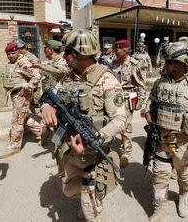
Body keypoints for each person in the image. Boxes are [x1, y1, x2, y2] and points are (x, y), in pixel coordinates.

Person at [41, 29, 126, 222]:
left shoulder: (107, 80)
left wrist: (95, 138)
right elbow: (49, 96)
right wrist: (46, 107)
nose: (64, 56)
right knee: (70, 190)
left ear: (79, 54)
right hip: (69, 151)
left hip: (92, 154)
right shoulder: (69, 78)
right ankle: (89, 202)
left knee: (91, 211)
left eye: (67, 52)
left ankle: (92, 209)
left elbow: (120, 120)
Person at [145, 42, 188, 221]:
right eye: (166, 61)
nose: (166, 65)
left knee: (184, 176)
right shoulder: (160, 82)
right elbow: (150, 100)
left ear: (183, 63)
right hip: (161, 140)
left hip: (185, 143)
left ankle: (183, 195)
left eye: (170, 62)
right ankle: (160, 209)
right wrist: (147, 111)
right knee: (160, 175)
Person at [0, 43, 48, 159]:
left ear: (17, 52)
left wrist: (28, 85)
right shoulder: (12, 63)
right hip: (14, 95)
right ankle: (43, 130)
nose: (10, 56)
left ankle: (14, 146)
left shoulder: (23, 62)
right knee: (23, 118)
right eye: (8, 54)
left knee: (17, 120)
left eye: (13, 53)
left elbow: (36, 75)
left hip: (22, 95)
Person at [112, 39, 146, 167]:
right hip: (114, 97)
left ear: (125, 51)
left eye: (118, 49)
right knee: (113, 122)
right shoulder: (114, 63)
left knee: (126, 125)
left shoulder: (134, 64)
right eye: (116, 49)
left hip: (128, 97)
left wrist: (141, 100)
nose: (116, 51)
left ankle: (126, 151)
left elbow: (141, 83)